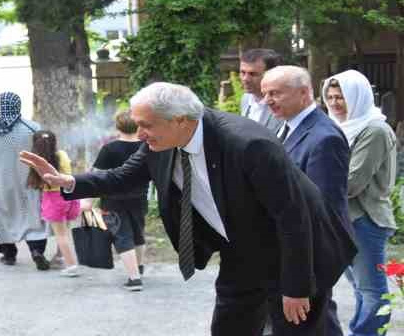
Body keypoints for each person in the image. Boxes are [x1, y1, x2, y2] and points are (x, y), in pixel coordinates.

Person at [20, 82, 357, 336]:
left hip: (297, 255)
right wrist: (66, 181)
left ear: (180, 120)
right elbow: (122, 177)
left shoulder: (248, 145)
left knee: (299, 330)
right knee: (229, 328)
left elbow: (293, 220)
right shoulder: (161, 143)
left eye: (146, 125)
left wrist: (297, 288)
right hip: (242, 254)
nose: (139, 133)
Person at [262, 66, 350, 336]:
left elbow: (320, 215)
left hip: (307, 260)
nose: (267, 100)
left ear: (303, 93)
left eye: (275, 93)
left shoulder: (324, 139)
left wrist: (300, 281)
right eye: (265, 93)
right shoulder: (285, 126)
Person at [322, 70, 397, 336]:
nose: (334, 103)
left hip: (366, 220)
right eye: (330, 97)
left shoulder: (374, 129)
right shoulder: (342, 126)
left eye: (341, 97)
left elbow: (352, 182)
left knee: (372, 291)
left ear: (358, 97)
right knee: (360, 288)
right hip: (346, 219)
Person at [0, 91, 50, 270]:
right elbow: (42, 152)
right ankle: (36, 251)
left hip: (1, 182)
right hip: (29, 180)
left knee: (3, 215)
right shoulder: (33, 127)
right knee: (32, 214)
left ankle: (9, 254)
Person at [91, 110, 149, 291]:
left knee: (122, 236)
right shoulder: (146, 146)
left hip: (113, 200)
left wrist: (87, 200)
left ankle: (134, 279)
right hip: (139, 198)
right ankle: (138, 269)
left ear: (118, 126)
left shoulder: (109, 149)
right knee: (138, 234)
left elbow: (96, 176)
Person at [27, 130, 81, 277]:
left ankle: (71, 266)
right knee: (65, 231)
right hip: (70, 193)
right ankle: (60, 257)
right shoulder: (62, 154)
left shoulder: (37, 161)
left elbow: (37, 183)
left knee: (60, 235)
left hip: (53, 197)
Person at [240, 49, 283, 132]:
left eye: (253, 74)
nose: (245, 79)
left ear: (272, 75)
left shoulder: (284, 106)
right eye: (242, 72)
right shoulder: (245, 99)